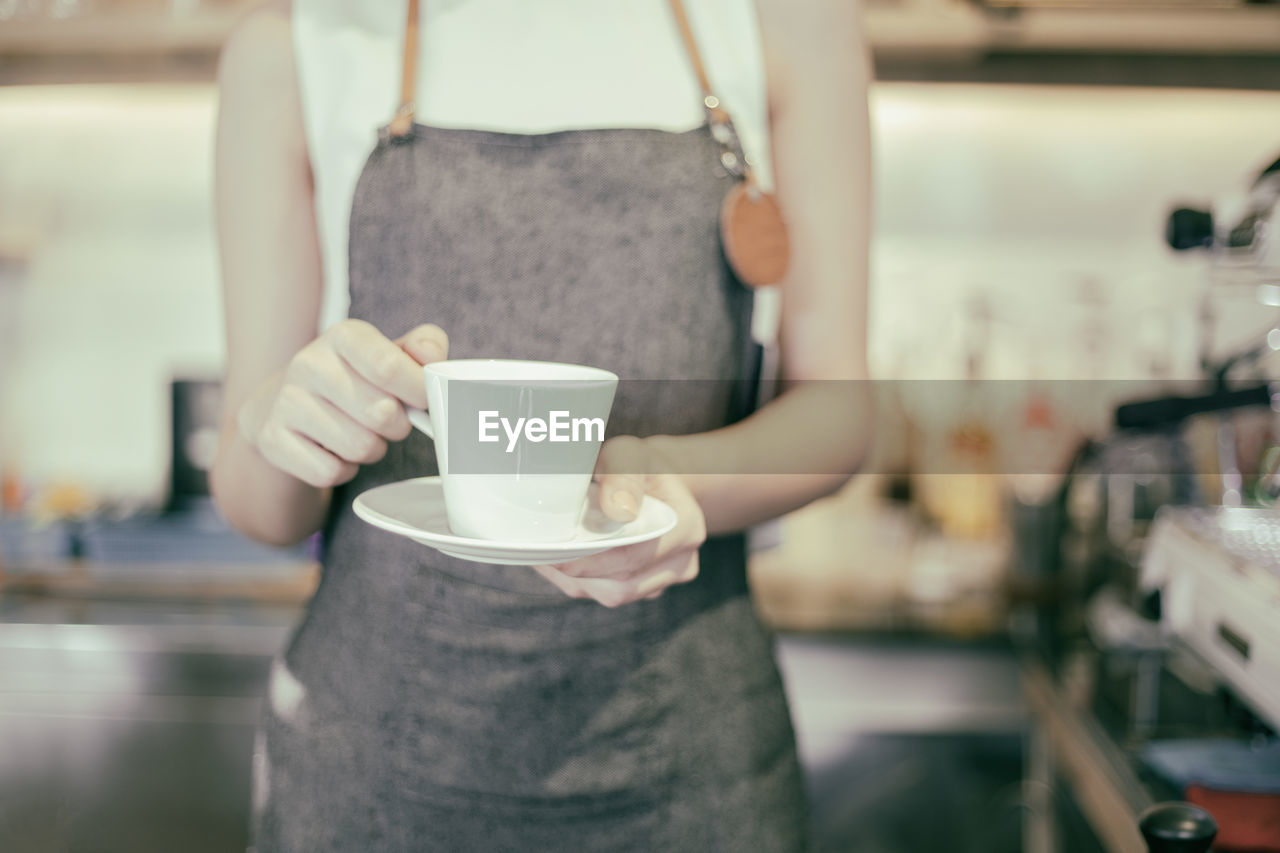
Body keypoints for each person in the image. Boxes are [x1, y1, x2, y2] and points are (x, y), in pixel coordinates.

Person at [211, 0, 871, 848]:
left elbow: (841, 410)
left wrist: (642, 484)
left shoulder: (787, 25)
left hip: (692, 765)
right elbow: (263, 511)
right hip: (369, 766)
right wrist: (281, 422)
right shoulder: (291, 48)